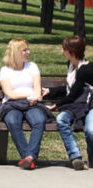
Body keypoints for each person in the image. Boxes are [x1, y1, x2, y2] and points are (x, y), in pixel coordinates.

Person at [42, 36, 92, 170]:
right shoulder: (71, 65)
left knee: (91, 131)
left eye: (64, 49)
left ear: (72, 51)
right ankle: (76, 157)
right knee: (61, 119)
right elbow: (70, 88)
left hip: (89, 105)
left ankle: (92, 160)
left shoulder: (85, 70)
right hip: (76, 105)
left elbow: (73, 95)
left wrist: (55, 105)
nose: (61, 51)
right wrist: (49, 91)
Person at [0, 38, 47, 170]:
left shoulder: (32, 66)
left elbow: (37, 88)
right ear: (16, 52)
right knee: (13, 122)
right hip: (12, 104)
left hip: (32, 103)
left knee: (39, 120)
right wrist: (28, 95)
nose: (28, 52)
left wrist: (36, 96)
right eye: (24, 50)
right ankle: (29, 157)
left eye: (28, 49)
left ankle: (28, 158)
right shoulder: (5, 70)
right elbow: (10, 94)